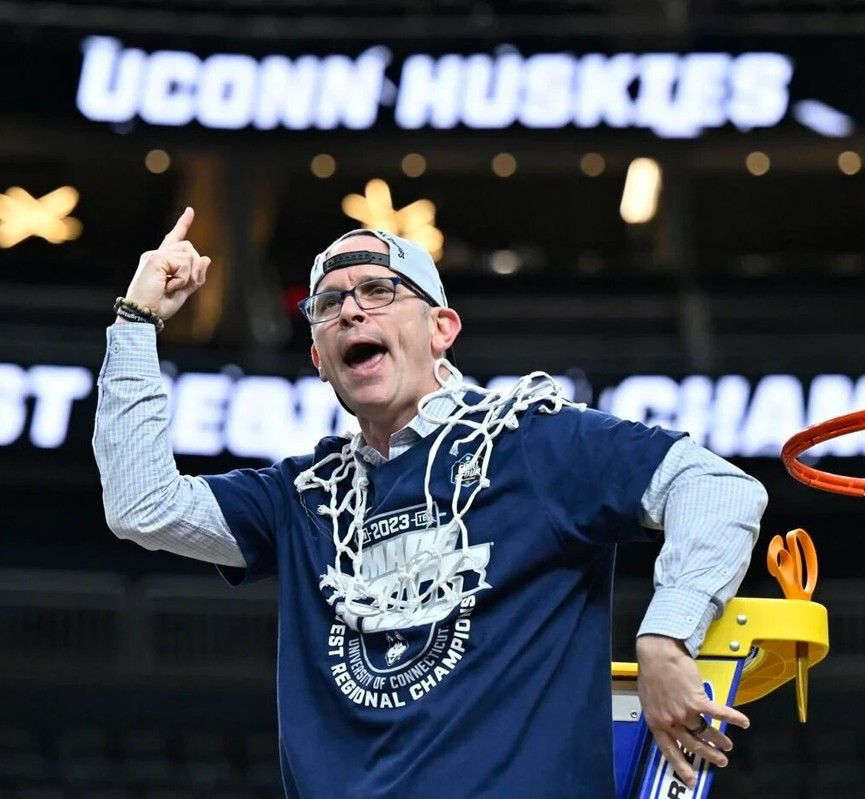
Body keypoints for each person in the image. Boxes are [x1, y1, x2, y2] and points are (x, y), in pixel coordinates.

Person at [93, 208, 768, 798]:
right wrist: (136, 321)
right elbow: (142, 505)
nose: (351, 310)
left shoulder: (532, 442)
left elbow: (716, 488)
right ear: (320, 359)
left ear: (443, 327)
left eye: (378, 291)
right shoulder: (302, 499)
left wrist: (665, 635)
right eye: (328, 305)